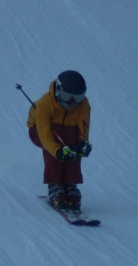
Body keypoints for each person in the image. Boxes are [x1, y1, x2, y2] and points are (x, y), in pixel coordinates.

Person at [28, 70, 92, 210]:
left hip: (66, 130)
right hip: (40, 131)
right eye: (66, 96)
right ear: (58, 91)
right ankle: (55, 184)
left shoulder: (83, 105)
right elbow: (45, 137)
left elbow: (83, 130)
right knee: (55, 141)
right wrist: (58, 152)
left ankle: (70, 184)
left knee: (73, 141)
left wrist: (83, 145)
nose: (72, 102)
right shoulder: (45, 104)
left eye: (78, 97)